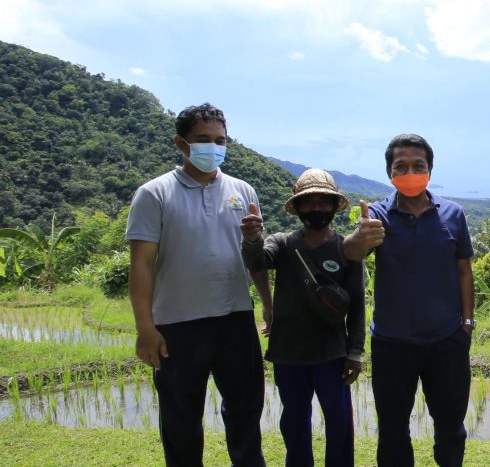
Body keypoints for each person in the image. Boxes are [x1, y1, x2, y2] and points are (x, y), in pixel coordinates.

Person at [126, 103, 268, 466]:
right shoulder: (154, 193)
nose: (213, 147)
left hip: (235, 319)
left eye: (220, 140)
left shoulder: (243, 191)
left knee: (245, 414)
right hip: (177, 326)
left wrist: (268, 304)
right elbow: (141, 265)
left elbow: (254, 256)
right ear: (181, 143)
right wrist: (145, 328)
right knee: (181, 421)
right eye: (203, 139)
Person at [344, 133, 475, 467]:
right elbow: (352, 252)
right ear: (390, 173)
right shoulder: (376, 215)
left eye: (418, 165)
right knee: (392, 431)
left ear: (430, 169)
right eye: (401, 166)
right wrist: (359, 237)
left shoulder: (453, 214)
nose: (410, 171)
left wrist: (467, 325)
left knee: (450, 430)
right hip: (392, 344)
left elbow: (464, 272)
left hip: (447, 341)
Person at [240, 168, 366, 467]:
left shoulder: (347, 247)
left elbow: (358, 302)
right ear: (297, 208)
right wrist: (252, 238)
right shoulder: (282, 243)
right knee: (295, 424)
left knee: (339, 423)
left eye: (324, 201)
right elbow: (257, 260)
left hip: (332, 355)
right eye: (309, 202)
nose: (317, 208)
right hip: (289, 354)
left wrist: (356, 352)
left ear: (336, 206)